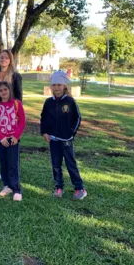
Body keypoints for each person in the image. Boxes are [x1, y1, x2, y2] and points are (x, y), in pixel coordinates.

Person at [40, 71, 86, 200]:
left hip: (66, 140)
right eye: (54, 85)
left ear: (64, 86)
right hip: (53, 140)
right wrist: (44, 132)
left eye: (59, 85)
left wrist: (71, 132)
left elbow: (77, 118)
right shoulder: (48, 102)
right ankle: (59, 187)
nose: (56, 88)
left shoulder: (70, 101)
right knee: (56, 164)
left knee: (70, 163)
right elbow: (43, 118)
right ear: (51, 86)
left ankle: (79, 188)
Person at [0, 81, 26, 202]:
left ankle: (16, 189)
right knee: (3, 163)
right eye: (0, 90)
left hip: (13, 139)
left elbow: (22, 122)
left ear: (9, 90)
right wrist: (1, 137)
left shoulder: (16, 103)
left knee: (13, 164)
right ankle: (7, 185)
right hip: (0, 140)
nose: (3, 92)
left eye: (5, 89)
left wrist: (16, 136)